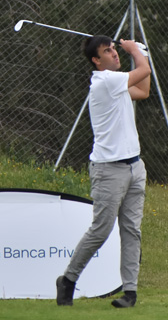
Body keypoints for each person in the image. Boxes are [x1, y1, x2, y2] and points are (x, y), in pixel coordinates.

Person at [56, 36, 151, 308]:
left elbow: (143, 90)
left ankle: (130, 293)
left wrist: (139, 53)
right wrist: (135, 51)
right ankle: (68, 280)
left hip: (135, 167)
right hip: (109, 170)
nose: (114, 53)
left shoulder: (117, 83)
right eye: (107, 51)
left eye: (114, 49)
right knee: (101, 230)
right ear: (96, 61)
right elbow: (144, 71)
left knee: (131, 231)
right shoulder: (104, 82)